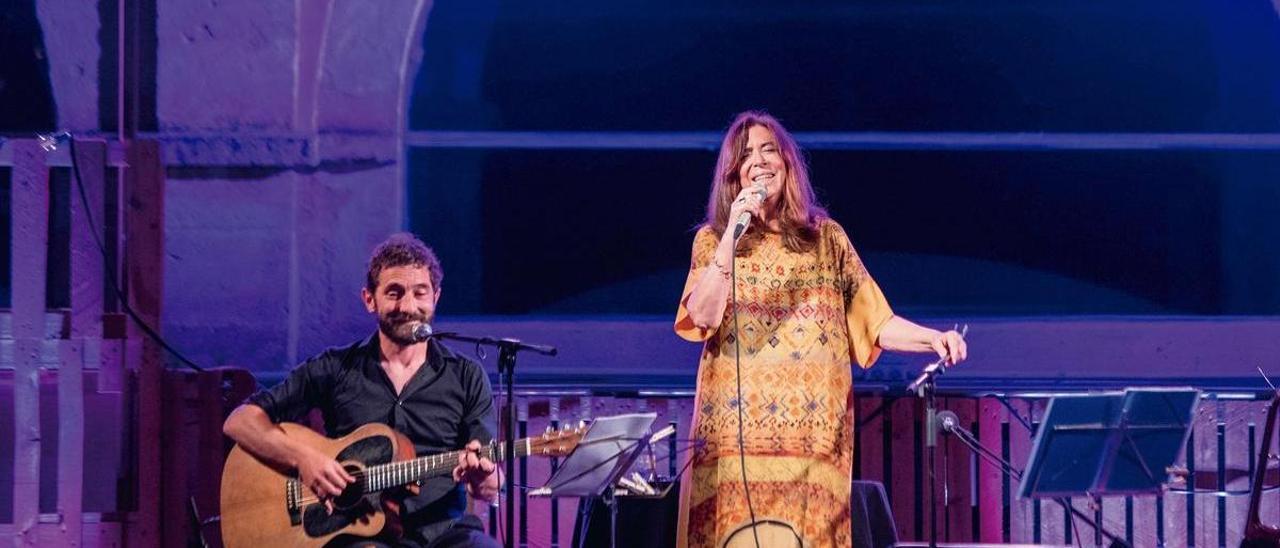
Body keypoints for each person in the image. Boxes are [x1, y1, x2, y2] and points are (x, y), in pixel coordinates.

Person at [674, 111, 968, 548]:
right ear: (733, 176)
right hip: (734, 454)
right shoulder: (713, 241)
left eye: (768, 150)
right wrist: (730, 240)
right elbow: (701, 316)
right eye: (745, 156)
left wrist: (932, 338)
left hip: (813, 450)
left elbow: (877, 322)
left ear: (788, 163)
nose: (758, 161)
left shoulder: (826, 239)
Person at [223, 233, 501, 548]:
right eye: (394, 293)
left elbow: (489, 487)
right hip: (356, 532)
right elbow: (240, 421)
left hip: (445, 533)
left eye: (419, 293)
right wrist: (303, 459)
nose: (408, 306)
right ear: (370, 299)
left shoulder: (466, 375)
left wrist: (482, 477)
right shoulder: (335, 367)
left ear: (435, 297)